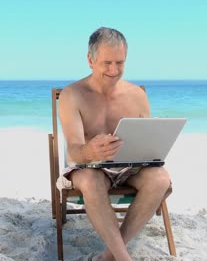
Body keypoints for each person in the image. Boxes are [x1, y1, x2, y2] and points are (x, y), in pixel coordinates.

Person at [57, 27, 172, 261]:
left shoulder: (136, 94)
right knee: (90, 180)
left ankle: (108, 256)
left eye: (120, 63)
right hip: (89, 166)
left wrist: (154, 150)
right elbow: (74, 150)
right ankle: (123, 258)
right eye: (106, 63)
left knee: (160, 178)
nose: (113, 70)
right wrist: (90, 151)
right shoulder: (73, 94)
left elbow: (147, 140)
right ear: (90, 60)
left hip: (129, 166)